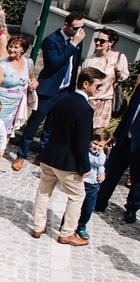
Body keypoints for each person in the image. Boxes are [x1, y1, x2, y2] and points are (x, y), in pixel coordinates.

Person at [31, 66, 104, 246]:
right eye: (97, 86)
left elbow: (51, 127)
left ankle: (38, 226)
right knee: (77, 196)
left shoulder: (63, 100)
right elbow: (81, 141)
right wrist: (85, 167)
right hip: (67, 162)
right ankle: (67, 233)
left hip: (50, 155)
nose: (99, 90)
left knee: (43, 191)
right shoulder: (86, 109)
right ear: (86, 84)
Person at [17, 12, 86, 164]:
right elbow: (55, 63)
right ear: (66, 25)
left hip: (65, 90)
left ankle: (42, 155)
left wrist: (72, 89)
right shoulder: (51, 40)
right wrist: (73, 44)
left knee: (52, 125)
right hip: (48, 89)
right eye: (75, 28)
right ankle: (21, 155)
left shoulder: (78, 40)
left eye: (82, 28)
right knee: (34, 124)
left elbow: (74, 67)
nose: (79, 32)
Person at [0, 35, 37, 169]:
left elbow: (31, 77)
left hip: (17, 103)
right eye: (10, 46)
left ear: (22, 49)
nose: (12, 49)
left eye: (16, 47)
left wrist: (34, 82)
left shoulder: (28, 63)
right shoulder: (2, 66)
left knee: (8, 131)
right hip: (3, 101)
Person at [94, 85, 140, 224]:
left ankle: (132, 208)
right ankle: (100, 201)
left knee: (137, 179)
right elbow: (129, 113)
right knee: (111, 170)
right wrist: (117, 133)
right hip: (125, 139)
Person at [84, 28, 130, 129]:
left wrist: (119, 71)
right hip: (89, 101)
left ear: (111, 43)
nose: (98, 43)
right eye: (96, 40)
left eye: (102, 41)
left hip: (105, 102)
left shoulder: (119, 58)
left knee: (97, 133)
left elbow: (124, 77)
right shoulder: (90, 59)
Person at [76, 129, 111, 240]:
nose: (96, 147)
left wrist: (102, 172)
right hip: (82, 183)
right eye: (95, 143)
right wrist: (102, 155)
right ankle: (66, 224)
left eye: (101, 146)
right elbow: (98, 161)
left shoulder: (99, 154)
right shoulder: (87, 153)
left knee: (88, 209)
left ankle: (81, 226)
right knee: (74, 206)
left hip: (93, 186)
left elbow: (101, 165)